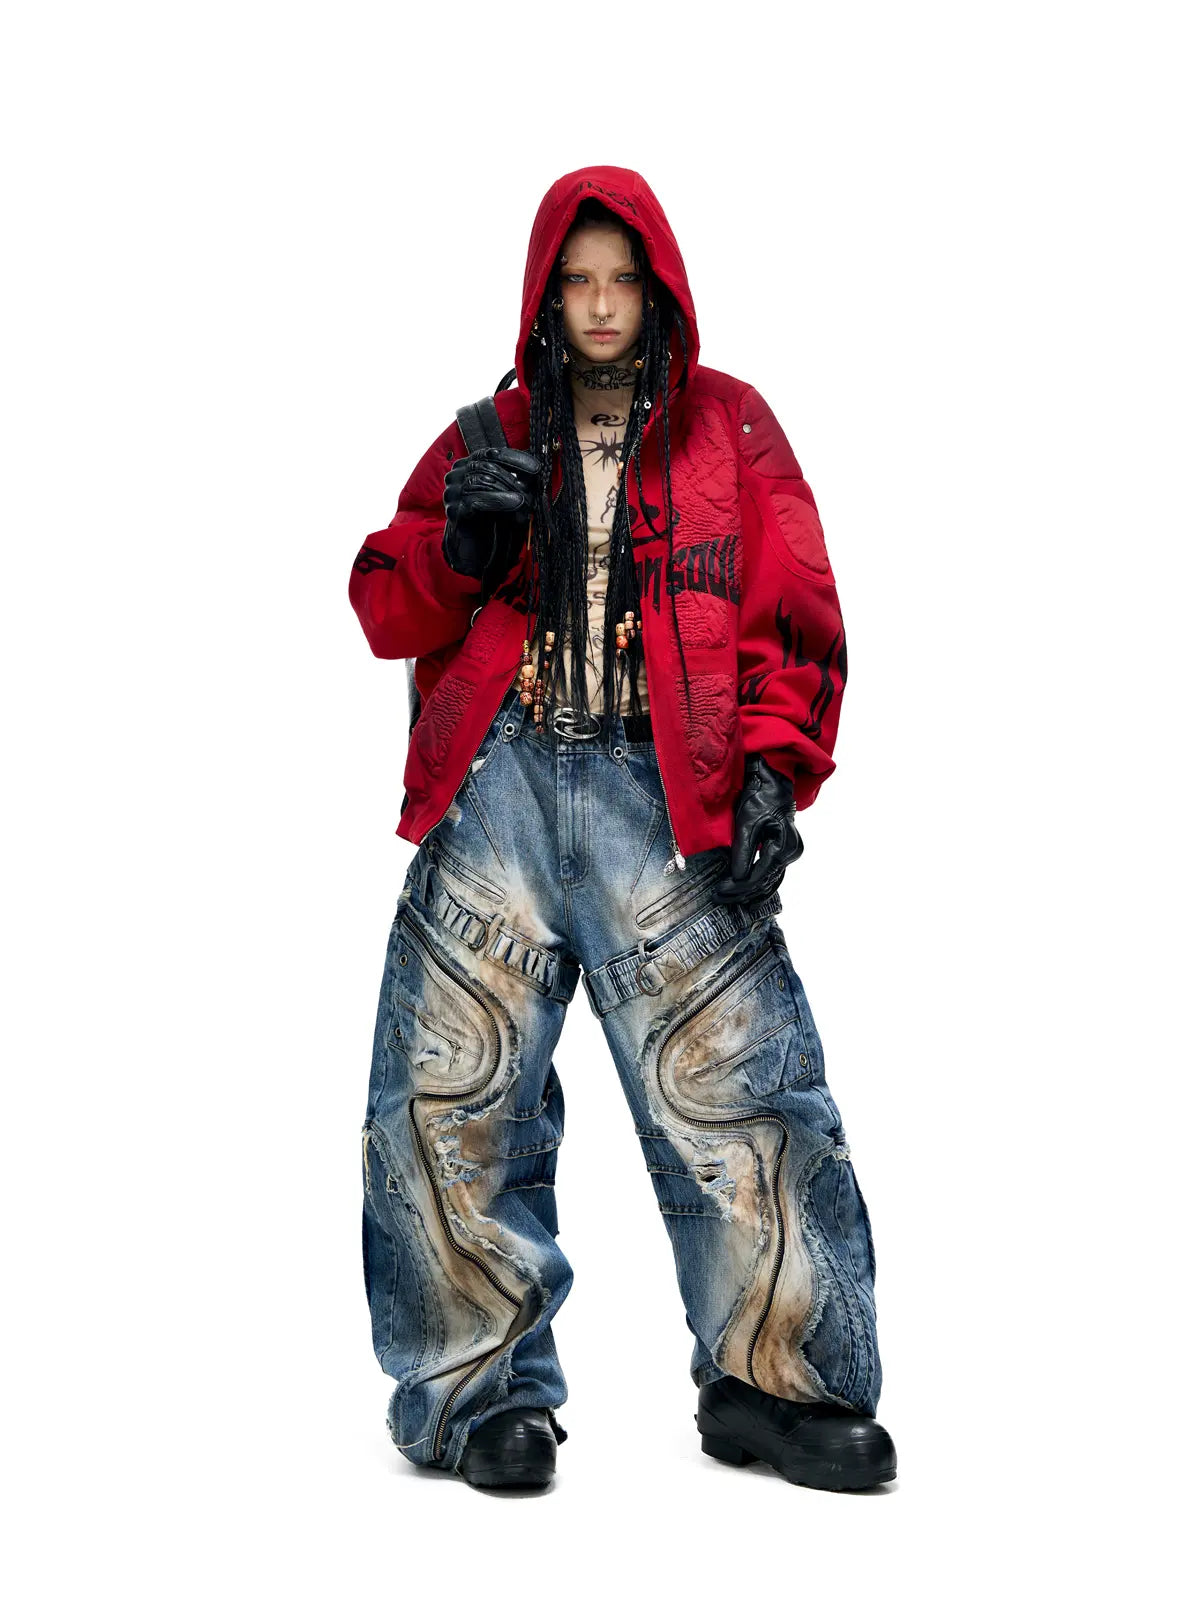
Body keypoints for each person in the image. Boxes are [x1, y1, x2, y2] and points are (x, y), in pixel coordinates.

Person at [349, 165, 896, 1493]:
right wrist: (459, 554)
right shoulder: (484, 435)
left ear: (659, 289)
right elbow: (382, 604)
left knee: (741, 1081)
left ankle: (778, 1384)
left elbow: (793, 604)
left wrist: (774, 776)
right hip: (501, 782)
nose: (601, 307)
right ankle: (476, 1396)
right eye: (577, 282)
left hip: (670, 792)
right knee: (448, 1088)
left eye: (622, 281)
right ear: (545, 295)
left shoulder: (731, 428)